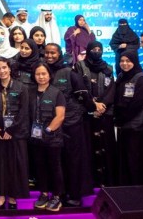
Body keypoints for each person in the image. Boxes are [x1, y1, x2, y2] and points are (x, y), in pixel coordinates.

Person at [42, 43, 91, 207]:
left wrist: (85, 110)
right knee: (56, 162)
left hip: (71, 124)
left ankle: (75, 195)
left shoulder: (69, 72)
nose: (49, 56)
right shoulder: (42, 71)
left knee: (73, 160)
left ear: (60, 54)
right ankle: (59, 194)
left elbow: (83, 95)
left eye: (53, 53)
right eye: (47, 52)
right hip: (51, 125)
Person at [0, 57, 30, 210]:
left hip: (15, 134)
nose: (1, 71)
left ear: (9, 68)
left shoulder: (21, 87)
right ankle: (1, 196)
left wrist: (11, 130)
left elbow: (24, 112)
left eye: (4, 67)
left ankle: (13, 196)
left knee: (14, 166)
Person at [112, 51, 143, 191]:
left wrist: (121, 118)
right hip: (125, 128)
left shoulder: (142, 80)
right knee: (126, 162)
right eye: (122, 61)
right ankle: (129, 193)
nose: (124, 64)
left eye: (128, 61)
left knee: (138, 162)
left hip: (139, 129)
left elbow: (138, 104)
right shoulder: (121, 77)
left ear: (135, 62)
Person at [76, 39, 118, 187]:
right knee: (89, 147)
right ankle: (92, 180)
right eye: (93, 50)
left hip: (105, 113)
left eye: (99, 50)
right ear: (88, 51)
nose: (96, 52)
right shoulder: (80, 66)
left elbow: (111, 88)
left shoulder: (108, 67)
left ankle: (106, 180)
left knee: (106, 146)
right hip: (87, 113)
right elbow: (79, 87)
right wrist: (93, 106)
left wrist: (102, 105)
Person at [29, 63, 67, 211]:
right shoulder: (30, 92)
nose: (41, 77)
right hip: (35, 138)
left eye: (44, 74)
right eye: (38, 74)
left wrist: (48, 130)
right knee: (40, 167)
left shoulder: (57, 93)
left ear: (49, 75)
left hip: (53, 138)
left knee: (54, 167)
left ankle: (57, 196)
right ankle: (44, 194)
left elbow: (60, 116)